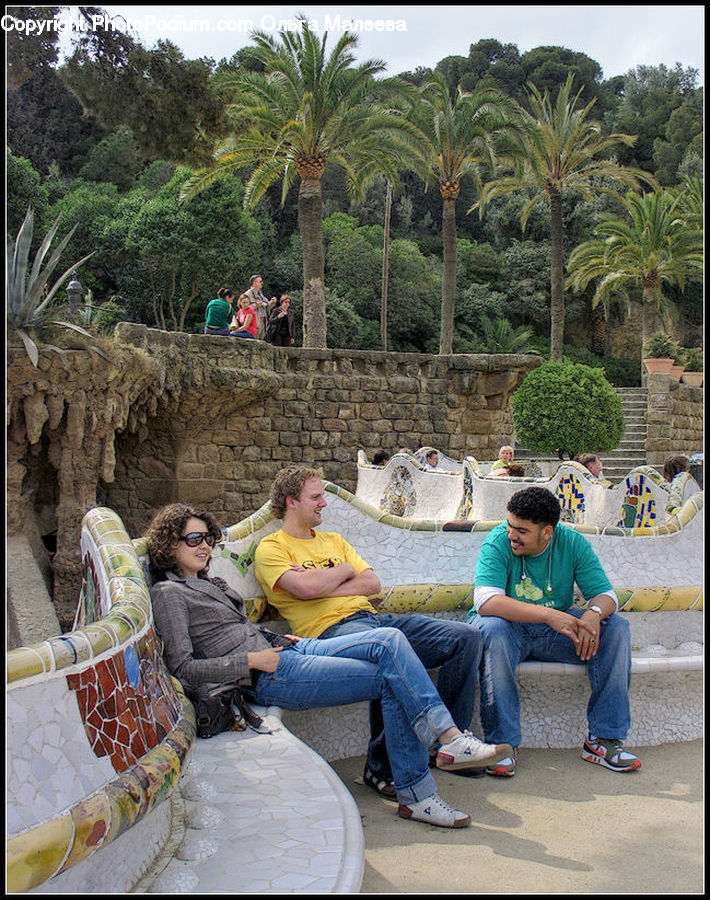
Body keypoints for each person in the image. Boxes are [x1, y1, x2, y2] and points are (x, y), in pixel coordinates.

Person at [146, 502, 513, 828]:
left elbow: (244, 629)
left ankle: (422, 787)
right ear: (169, 545)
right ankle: (443, 749)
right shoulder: (169, 593)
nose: (205, 546)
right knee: (389, 648)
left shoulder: (212, 584)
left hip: (291, 650)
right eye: (193, 539)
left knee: (393, 659)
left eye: (208, 537)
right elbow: (182, 668)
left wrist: (279, 642)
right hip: (269, 674)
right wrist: (251, 660)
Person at [254, 465, 504, 800]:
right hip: (331, 632)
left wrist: (325, 580)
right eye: (315, 497)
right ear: (291, 502)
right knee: (389, 650)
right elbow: (304, 589)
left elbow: (371, 584)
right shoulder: (272, 548)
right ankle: (382, 767)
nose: (323, 504)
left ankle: (449, 746)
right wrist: (342, 573)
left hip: (375, 619)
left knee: (465, 637)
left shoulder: (334, 541)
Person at [468, 485, 640, 777]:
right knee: (491, 630)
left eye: (521, 530)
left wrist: (594, 614)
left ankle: (603, 740)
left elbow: (607, 595)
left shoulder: (571, 543)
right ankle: (502, 744)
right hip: (509, 631)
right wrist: (550, 615)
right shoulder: (497, 541)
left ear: (547, 532)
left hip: (555, 635)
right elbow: (486, 601)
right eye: (510, 525)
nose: (512, 534)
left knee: (616, 628)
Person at [246, 275, 277, 340]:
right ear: (254, 283)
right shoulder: (247, 294)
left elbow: (267, 307)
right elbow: (244, 308)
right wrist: (255, 306)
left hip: (263, 321)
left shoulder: (260, 294)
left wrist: (272, 303)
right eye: (260, 281)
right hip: (254, 323)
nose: (262, 283)